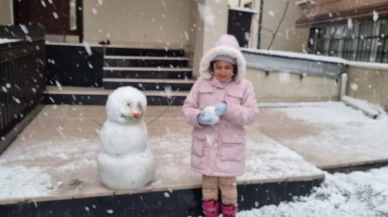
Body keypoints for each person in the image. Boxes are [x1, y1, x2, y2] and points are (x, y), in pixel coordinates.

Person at [181, 34, 259, 217]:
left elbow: (252, 114)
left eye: (227, 67)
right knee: (208, 185)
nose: (223, 72)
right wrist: (200, 117)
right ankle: (210, 214)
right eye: (218, 67)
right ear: (212, 67)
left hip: (229, 150)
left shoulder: (244, 87)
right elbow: (187, 108)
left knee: (228, 186)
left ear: (235, 67)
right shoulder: (201, 84)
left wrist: (229, 109)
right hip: (206, 146)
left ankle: (229, 214)